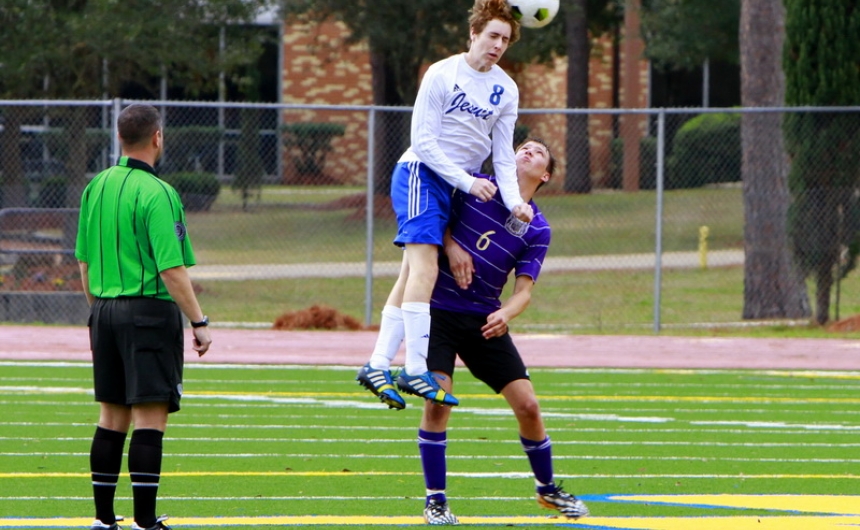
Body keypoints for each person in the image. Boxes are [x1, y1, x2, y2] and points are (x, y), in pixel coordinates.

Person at [356, 0, 534, 409]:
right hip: (422, 172)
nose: (497, 45)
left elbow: (503, 155)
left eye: (505, 39)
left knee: (408, 275)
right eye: (491, 36)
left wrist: (514, 202)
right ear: (473, 34)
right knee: (426, 268)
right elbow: (424, 143)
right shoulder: (442, 73)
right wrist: (468, 182)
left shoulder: (506, 88)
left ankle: (378, 362)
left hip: (451, 186)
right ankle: (416, 368)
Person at [416, 138, 590, 524]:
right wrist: (451, 246)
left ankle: (547, 490)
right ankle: (436, 500)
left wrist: (506, 314)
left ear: (544, 175)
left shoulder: (537, 228)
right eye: (523, 146)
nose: (528, 150)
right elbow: (432, 221)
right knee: (438, 402)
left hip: (484, 321)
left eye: (538, 152)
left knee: (528, 406)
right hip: (439, 312)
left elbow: (524, 291)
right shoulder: (478, 186)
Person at [75, 104, 212, 530]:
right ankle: (146, 522)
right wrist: (199, 322)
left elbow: (83, 263)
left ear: (120, 138)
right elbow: (172, 270)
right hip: (149, 313)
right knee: (150, 419)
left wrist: (99, 311)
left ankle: (102, 519)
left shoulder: (94, 187)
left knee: (111, 418)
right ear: (157, 138)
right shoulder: (160, 193)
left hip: (104, 310)